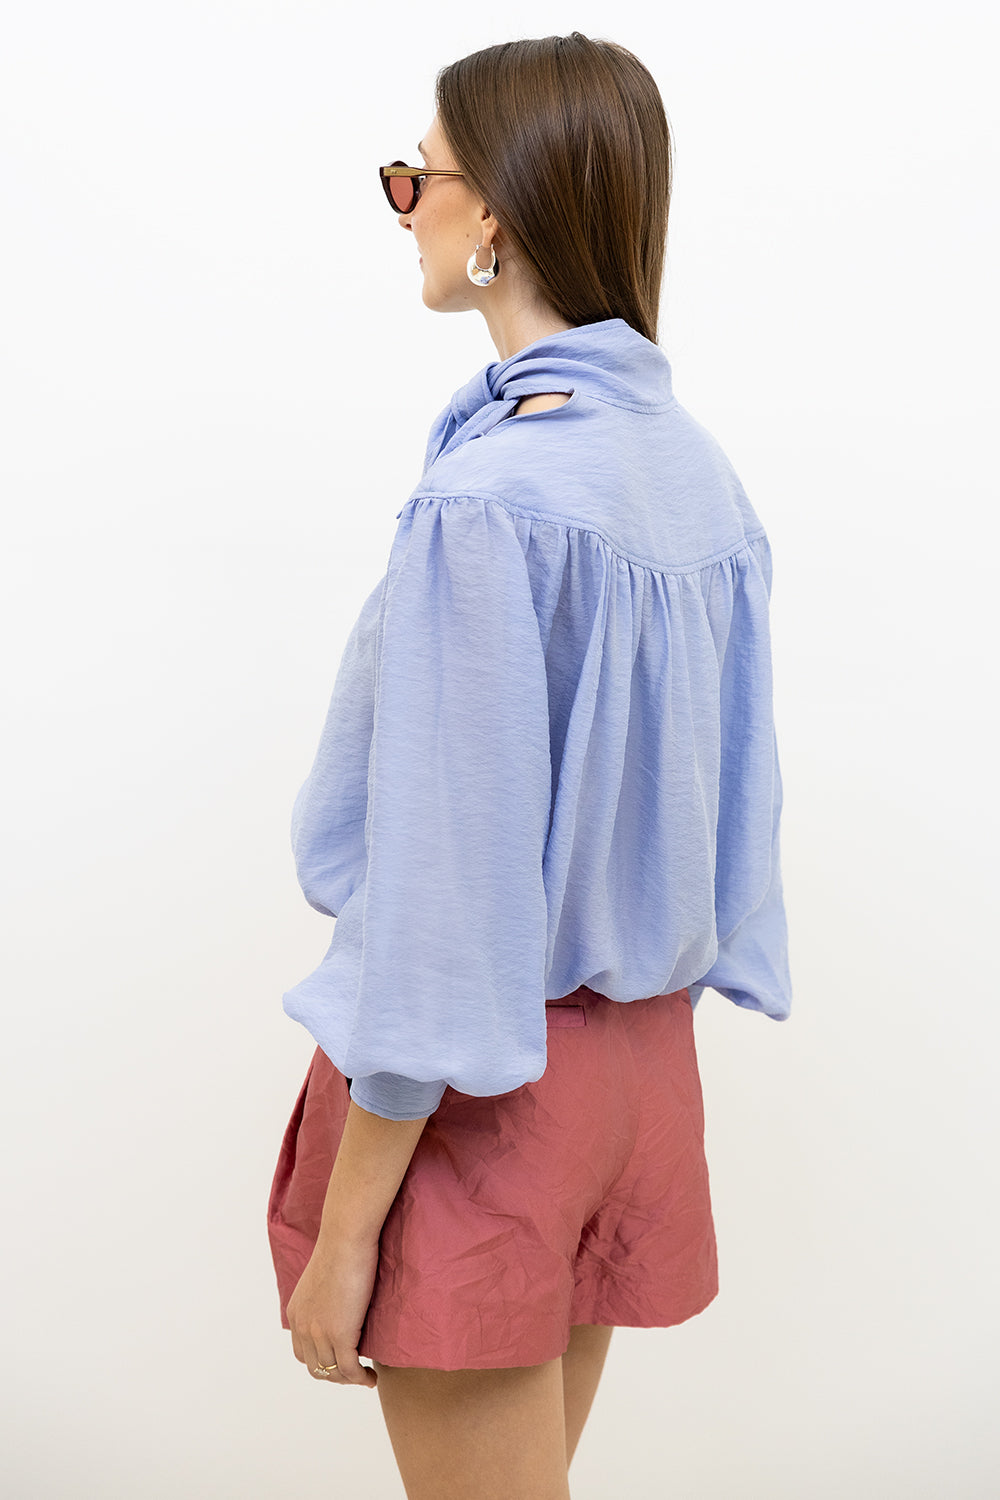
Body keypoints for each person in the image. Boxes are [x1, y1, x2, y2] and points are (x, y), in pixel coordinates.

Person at [267, 31, 792, 1500]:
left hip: (481, 1098)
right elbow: (733, 821)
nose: (405, 210)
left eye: (413, 178)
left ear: (490, 208)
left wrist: (352, 1229)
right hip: (635, 1075)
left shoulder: (489, 503)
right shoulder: (696, 474)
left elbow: (445, 920)